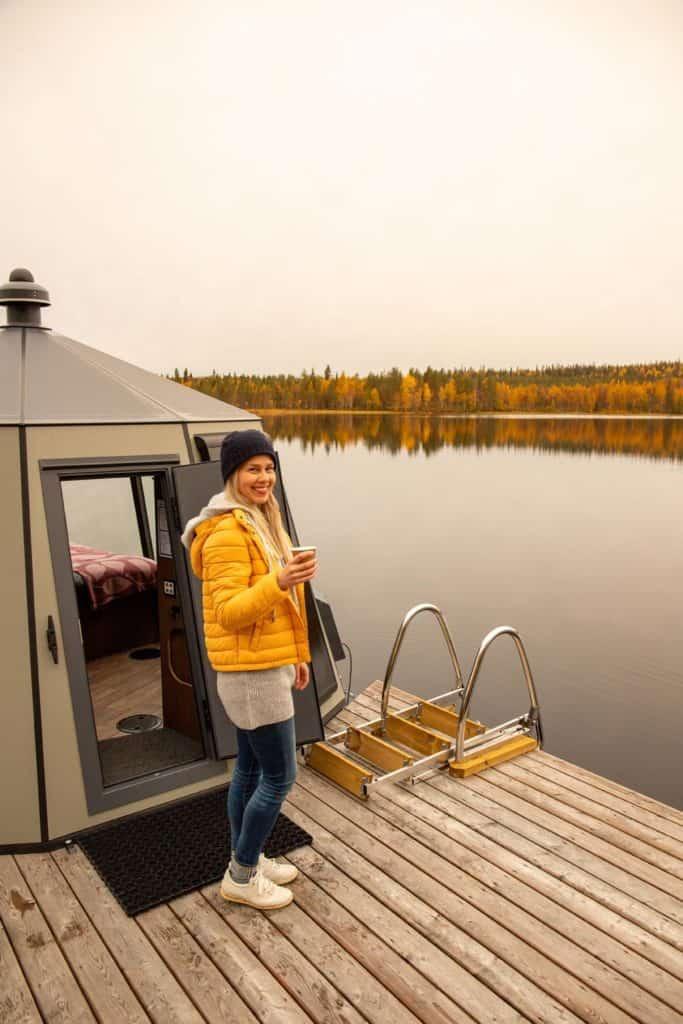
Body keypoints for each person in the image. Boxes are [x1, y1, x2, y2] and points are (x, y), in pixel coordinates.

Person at [181, 429, 317, 910]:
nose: (263, 478)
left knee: (249, 770)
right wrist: (280, 580)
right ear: (232, 475)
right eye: (252, 469)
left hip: (266, 665)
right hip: (250, 674)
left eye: (268, 468)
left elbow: (281, 605)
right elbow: (229, 612)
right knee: (279, 778)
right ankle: (241, 874)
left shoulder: (262, 519)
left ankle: (250, 858)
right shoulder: (225, 534)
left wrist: (297, 654)